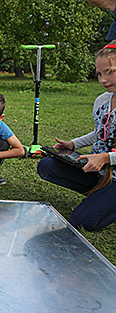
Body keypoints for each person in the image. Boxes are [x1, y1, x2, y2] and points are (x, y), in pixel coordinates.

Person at [37, 42, 116, 231]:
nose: (103, 79)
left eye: (110, 71)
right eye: (99, 73)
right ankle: (102, 194)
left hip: (109, 167)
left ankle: (105, 199)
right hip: (101, 172)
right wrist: (73, 144)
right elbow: (101, 133)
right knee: (46, 166)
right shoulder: (102, 100)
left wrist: (106, 157)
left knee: (84, 221)